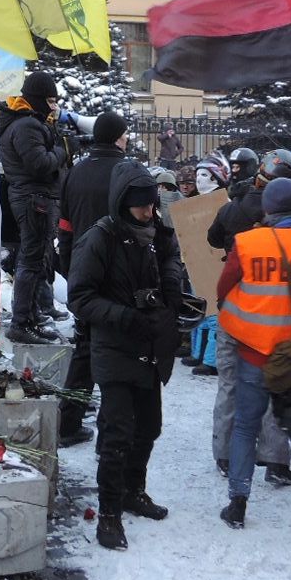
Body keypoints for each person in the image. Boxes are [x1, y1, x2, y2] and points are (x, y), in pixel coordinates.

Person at [67, 161, 183, 550]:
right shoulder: (99, 238)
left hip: (150, 342)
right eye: (140, 206)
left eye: (151, 205)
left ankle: (134, 490)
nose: (148, 212)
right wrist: (123, 316)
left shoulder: (159, 230)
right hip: (115, 344)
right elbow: (80, 297)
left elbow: (172, 257)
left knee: (149, 427)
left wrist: (171, 280)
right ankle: (110, 512)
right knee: (116, 433)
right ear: (122, 203)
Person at [215, 177, 291, 532]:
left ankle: (237, 504)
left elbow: (224, 287)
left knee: (245, 426)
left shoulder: (247, 242)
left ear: (266, 208)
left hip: (254, 351)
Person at [206, 151, 291, 482]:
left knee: (230, 385)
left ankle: (227, 455)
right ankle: (275, 461)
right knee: (278, 385)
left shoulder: (233, 207)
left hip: (235, 313)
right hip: (277, 316)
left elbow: (214, 239)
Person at [55, 111, 130, 446]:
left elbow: (65, 227)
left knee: (84, 348)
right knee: (120, 353)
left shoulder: (76, 173)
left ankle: (68, 422)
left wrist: (71, 270)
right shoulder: (129, 173)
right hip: (121, 272)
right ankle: (109, 434)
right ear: (117, 136)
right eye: (125, 133)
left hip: (83, 271)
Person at [0, 70, 65, 344]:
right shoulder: (26, 126)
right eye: (50, 100)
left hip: (36, 198)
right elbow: (39, 164)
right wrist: (64, 150)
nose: (53, 106)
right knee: (30, 261)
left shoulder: (29, 123)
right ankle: (21, 322)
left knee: (36, 262)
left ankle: (33, 316)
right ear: (37, 99)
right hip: (33, 199)